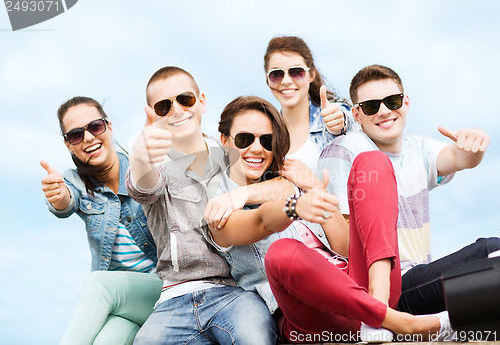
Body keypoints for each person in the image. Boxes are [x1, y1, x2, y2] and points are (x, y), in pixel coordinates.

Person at [204, 96, 453, 343]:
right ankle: (397, 321)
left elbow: (344, 247)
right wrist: (287, 204)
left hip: (360, 286)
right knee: (281, 253)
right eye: (244, 139)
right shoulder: (217, 205)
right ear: (225, 141)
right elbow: (262, 221)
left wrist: (313, 187)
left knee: (373, 161)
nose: (257, 148)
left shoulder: (292, 182)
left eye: (267, 141)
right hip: (310, 315)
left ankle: (377, 307)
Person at [126, 66, 294, 345]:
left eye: (185, 99)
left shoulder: (233, 152)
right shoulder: (154, 163)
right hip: (174, 299)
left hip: (233, 292)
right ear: (153, 114)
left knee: (255, 337)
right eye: (164, 106)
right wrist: (140, 156)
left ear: (201, 101)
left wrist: (240, 196)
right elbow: (142, 185)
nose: (177, 110)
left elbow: (285, 185)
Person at [318, 64, 500, 319]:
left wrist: (475, 145)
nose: (383, 111)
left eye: (392, 101)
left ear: (406, 103)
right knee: (491, 253)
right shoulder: (345, 150)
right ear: (356, 115)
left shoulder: (418, 149)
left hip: (420, 281)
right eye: (371, 106)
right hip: (383, 290)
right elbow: (342, 245)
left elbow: (461, 158)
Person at [40, 96, 162, 345]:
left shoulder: (139, 168)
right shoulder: (74, 182)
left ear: (109, 127)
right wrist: (59, 196)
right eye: (75, 135)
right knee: (107, 340)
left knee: (97, 284)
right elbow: (65, 202)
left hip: (161, 291)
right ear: (68, 145)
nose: (88, 138)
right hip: (123, 304)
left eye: (95, 127)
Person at [263, 35, 358, 190]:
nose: (286, 81)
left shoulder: (328, 118)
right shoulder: (264, 132)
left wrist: (340, 121)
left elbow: (345, 118)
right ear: (267, 79)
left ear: (311, 74)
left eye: (296, 72)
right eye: (276, 74)